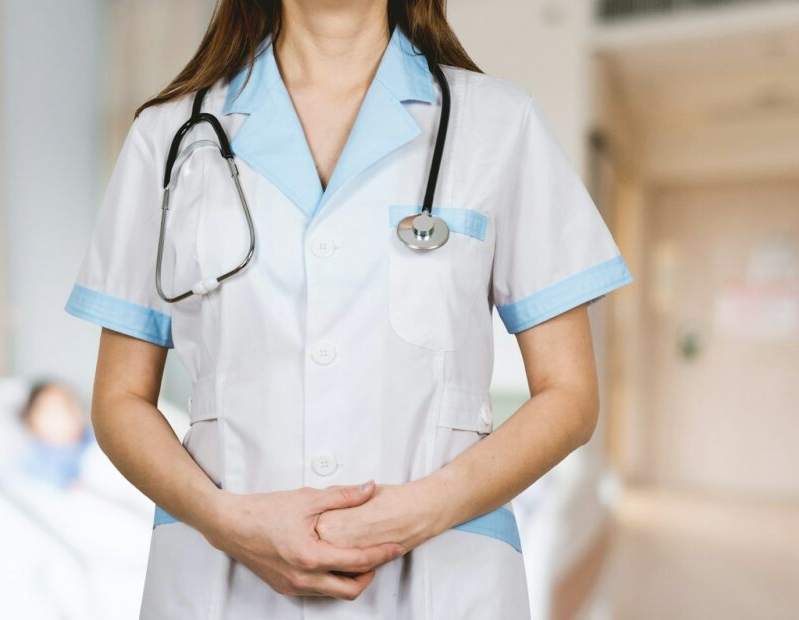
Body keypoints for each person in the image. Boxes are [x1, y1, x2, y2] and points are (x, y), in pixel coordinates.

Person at [64, 0, 633, 617]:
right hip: (222, 579)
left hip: (441, 580)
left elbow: (570, 397)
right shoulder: (170, 136)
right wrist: (228, 523)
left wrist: (426, 509)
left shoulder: (499, 124)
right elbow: (119, 401)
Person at [17, 380, 94, 489]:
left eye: (73, 401)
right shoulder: (40, 458)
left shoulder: (91, 436)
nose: (73, 410)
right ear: (34, 422)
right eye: (62, 405)